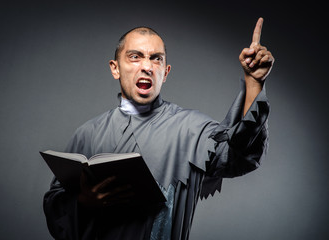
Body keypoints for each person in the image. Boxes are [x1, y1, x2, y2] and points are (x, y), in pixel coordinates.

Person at [43, 18, 274, 240]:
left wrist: (254, 82)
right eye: (135, 57)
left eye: (156, 59)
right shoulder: (87, 134)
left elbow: (240, 155)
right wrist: (83, 202)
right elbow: (57, 212)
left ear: (165, 72)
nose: (146, 66)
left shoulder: (191, 129)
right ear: (115, 68)